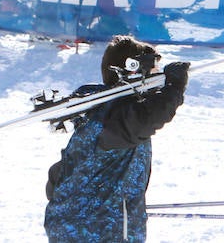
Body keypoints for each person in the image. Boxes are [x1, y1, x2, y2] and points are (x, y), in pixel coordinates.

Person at [43, 35, 190, 242]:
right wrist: (174, 88)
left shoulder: (99, 112)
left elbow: (62, 172)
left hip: (74, 225)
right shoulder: (114, 116)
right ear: (133, 71)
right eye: (153, 72)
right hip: (98, 232)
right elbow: (149, 116)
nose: (158, 78)